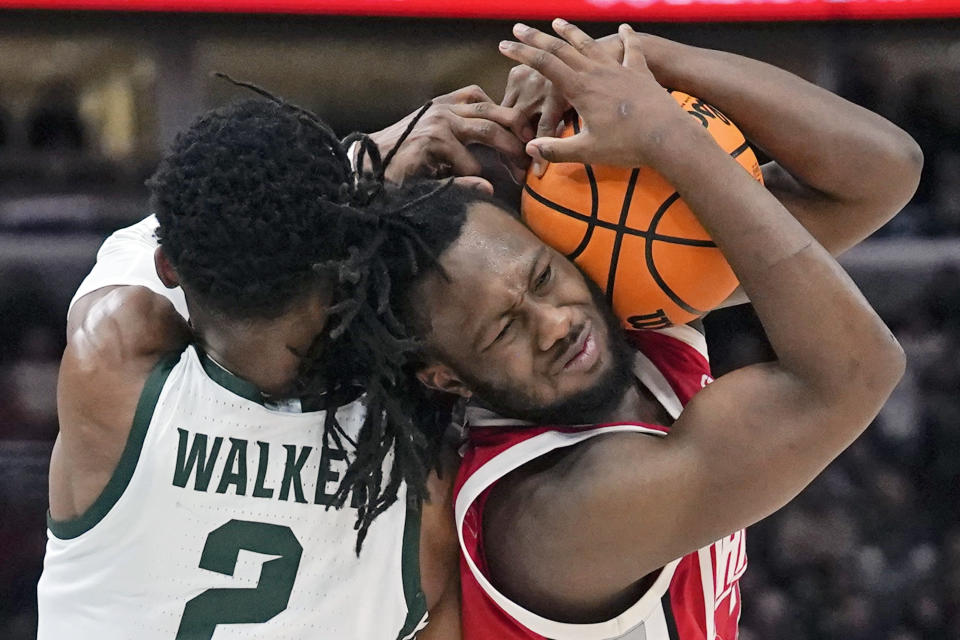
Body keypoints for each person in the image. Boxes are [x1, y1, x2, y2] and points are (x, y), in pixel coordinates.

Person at [367, 21, 921, 639]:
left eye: (545, 277)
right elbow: (856, 373)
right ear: (446, 376)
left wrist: (647, 59)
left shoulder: (618, 310)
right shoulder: (550, 513)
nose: (555, 324)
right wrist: (664, 134)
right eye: (502, 332)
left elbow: (883, 172)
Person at [37, 85, 529, 640]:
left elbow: (160, 237)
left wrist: (356, 162)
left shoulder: (112, 367)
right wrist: (342, 192)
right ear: (344, 258)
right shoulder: (419, 476)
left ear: (170, 269)